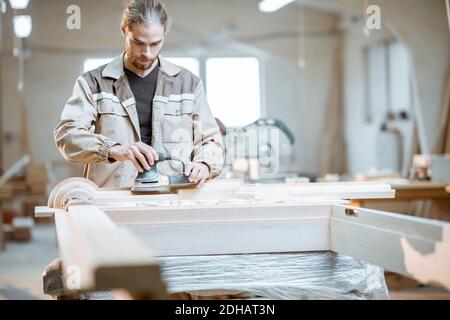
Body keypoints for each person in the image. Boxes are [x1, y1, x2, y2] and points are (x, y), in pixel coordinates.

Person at [55, 0, 224, 189]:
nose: (147, 53)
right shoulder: (93, 83)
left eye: (155, 43)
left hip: (171, 199)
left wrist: (204, 164)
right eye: (138, 42)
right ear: (124, 31)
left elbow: (210, 140)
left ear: (164, 35)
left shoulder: (188, 84)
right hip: (112, 200)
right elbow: (68, 136)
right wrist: (114, 150)